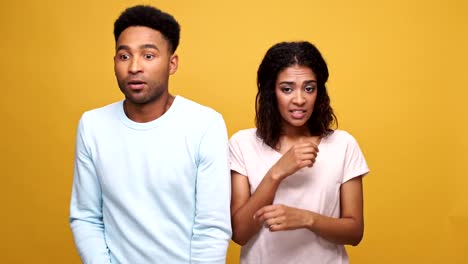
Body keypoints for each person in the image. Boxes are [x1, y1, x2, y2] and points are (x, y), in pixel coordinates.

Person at [69, 5, 231, 264]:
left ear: (172, 63)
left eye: (148, 55)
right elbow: (86, 216)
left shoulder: (205, 124)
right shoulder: (93, 125)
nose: (134, 67)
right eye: (124, 56)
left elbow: (212, 227)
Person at [229, 41, 370, 263]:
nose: (299, 99)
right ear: (270, 92)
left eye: (309, 88)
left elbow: (354, 232)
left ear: (319, 92)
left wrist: (305, 218)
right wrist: (276, 173)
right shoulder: (242, 144)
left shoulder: (343, 144)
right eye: (287, 89)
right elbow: (239, 233)